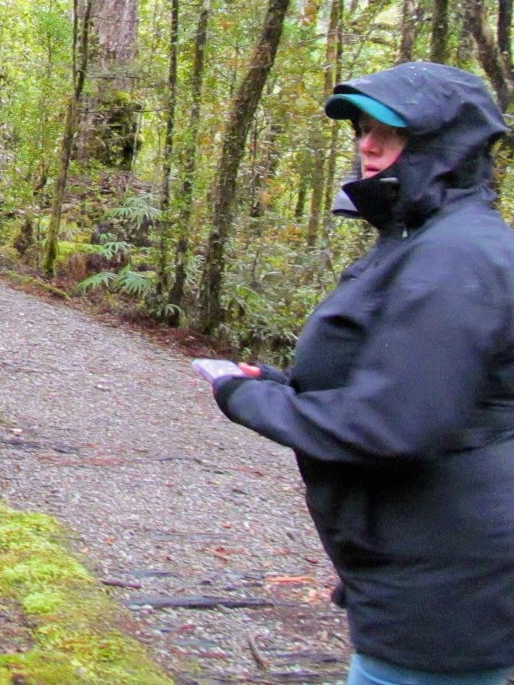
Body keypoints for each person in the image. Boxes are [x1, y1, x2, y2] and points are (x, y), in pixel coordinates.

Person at [209, 61, 514, 685]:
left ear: (443, 146)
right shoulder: (426, 242)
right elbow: (409, 378)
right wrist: (283, 383)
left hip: (446, 583)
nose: (367, 145)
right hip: (417, 564)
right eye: (362, 128)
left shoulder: (457, 257)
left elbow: (394, 424)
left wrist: (244, 399)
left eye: (391, 132)